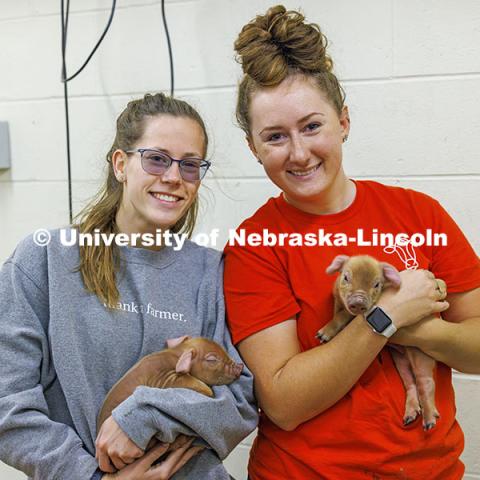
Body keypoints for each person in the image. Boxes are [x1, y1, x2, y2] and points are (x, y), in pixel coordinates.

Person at [223, 5, 480, 480]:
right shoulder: (254, 245)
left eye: (312, 126)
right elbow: (284, 403)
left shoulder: (418, 213)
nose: (298, 153)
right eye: (275, 136)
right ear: (253, 148)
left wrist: (421, 331)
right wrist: (388, 317)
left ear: (343, 121)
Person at [0, 92, 258, 480]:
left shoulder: (212, 270)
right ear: (121, 164)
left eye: (190, 166)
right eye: (156, 159)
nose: (173, 177)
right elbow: (8, 403)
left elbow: (239, 399)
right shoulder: (46, 260)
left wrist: (142, 417)